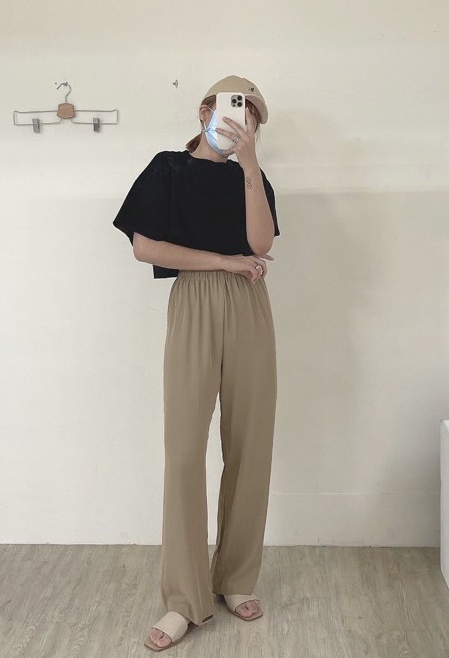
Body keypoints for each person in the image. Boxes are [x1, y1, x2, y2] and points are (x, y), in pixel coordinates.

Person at [112, 75, 280, 652]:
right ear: (206, 109)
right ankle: (184, 597)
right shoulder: (168, 169)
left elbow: (260, 245)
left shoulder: (252, 177)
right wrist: (224, 262)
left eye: (252, 115)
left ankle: (235, 578)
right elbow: (145, 247)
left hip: (250, 306)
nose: (242, 120)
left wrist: (251, 166)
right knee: (184, 450)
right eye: (235, 108)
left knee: (251, 445)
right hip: (194, 302)